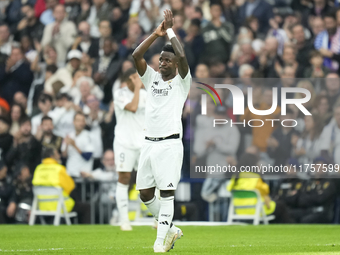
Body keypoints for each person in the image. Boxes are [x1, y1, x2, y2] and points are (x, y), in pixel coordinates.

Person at [132, 9, 190, 253]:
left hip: (169, 144)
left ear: (175, 64)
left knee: (166, 194)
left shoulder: (181, 82)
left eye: (167, 60)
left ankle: (160, 243)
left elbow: (184, 55)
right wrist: (156, 34)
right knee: (145, 193)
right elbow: (136, 55)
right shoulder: (151, 79)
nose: (162, 62)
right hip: (149, 143)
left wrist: (170, 30)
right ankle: (171, 229)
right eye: (161, 60)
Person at [113, 68, 146, 231]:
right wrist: (139, 88)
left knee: (150, 180)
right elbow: (133, 107)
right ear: (127, 81)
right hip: (124, 142)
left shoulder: (147, 96)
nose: (138, 80)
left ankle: (158, 219)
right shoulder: (120, 94)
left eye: (138, 77)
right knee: (124, 178)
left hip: (143, 143)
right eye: (134, 78)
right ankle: (124, 220)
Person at [32, 148, 91, 224]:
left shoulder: (38, 169)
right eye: (57, 154)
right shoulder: (59, 169)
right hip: (59, 206)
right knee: (86, 207)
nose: (59, 156)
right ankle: (85, 232)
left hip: (42, 207)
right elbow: (71, 187)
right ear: (52, 156)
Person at [61, 112, 94, 178]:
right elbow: (64, 156)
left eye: (82, 121)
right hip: (70, 172)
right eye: (78, 120)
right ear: (73, 122)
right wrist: (67, 145)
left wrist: (74, 145)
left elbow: (88, 156)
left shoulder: (89, 135)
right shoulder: (69, 135)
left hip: (83, 174)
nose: (81, 123)